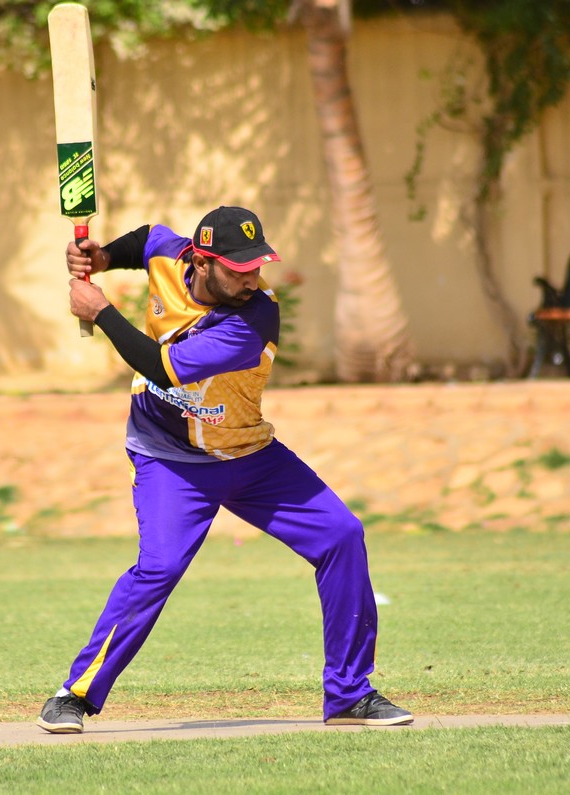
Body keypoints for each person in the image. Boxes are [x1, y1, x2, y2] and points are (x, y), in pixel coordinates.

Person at [36, 206, 413, 733]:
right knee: (160, 568)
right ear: (201, 261)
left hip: (250, 454)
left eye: (256, 266)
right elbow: (147, 239)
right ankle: (74, 695)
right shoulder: (171, 254)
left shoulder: (253, 318)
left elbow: (161, 367)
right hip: (170, 459)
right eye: (238, 269)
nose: (251, 279)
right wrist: (103, 257)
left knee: (342, 536)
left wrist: (100, 310)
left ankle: (350, 694)